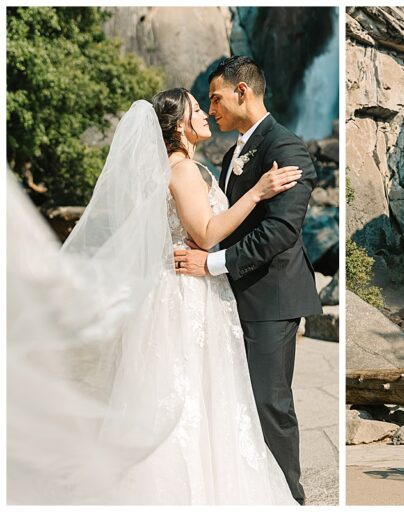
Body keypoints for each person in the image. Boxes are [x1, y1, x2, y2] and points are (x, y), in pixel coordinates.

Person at [8, 88, 301, 504]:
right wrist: (258, 193)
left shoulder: (174, 168)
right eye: (198, 109)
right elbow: (205, 233)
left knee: (178, 388)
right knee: (191, 392)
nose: (206, 113)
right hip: (188, 292)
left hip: (175, 287)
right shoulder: (185, 171)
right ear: (179, 124)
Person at [174, 56, 324, 504]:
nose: (210, 107)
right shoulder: (233, 153)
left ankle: (290, 498)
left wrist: (212, 265)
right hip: (233, 298)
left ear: (243, 91)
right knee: (237, 401)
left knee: (269, 403)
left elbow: (279, 232)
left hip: (271, 299)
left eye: (215, 98)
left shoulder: (288, 149)